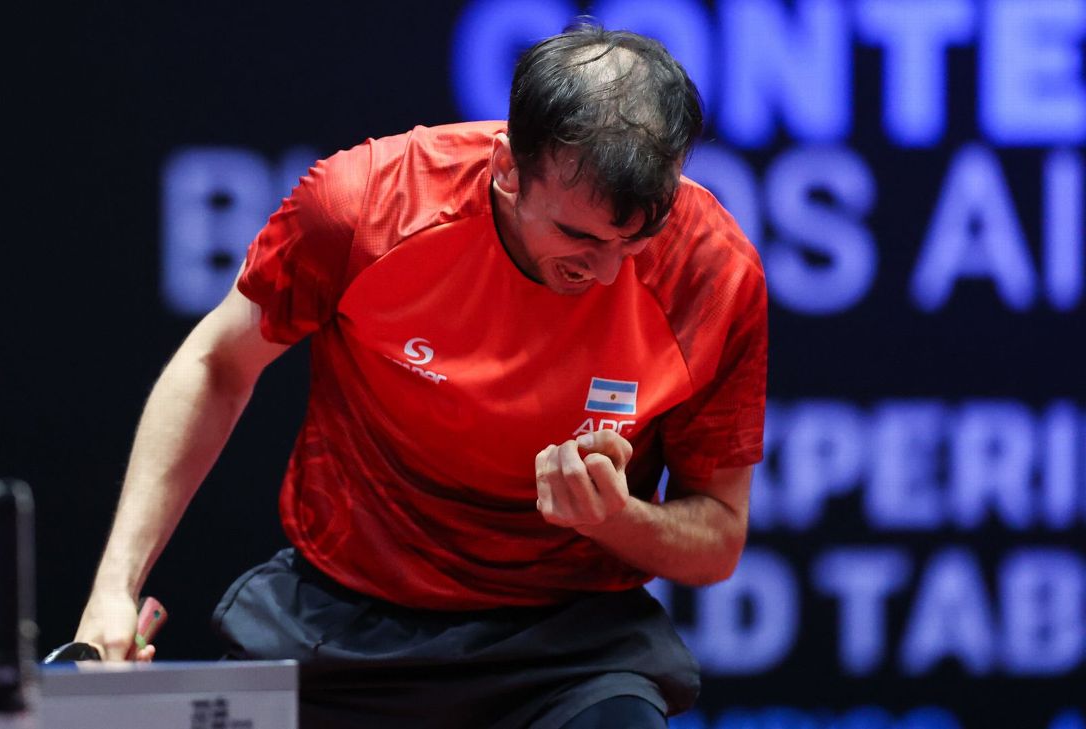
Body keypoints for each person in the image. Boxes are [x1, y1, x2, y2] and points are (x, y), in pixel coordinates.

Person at [75, 21, 766, 729]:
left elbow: (717, 537)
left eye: (637, 238)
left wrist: (614, 519)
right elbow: (217, 364)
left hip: (568, 646)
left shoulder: (712, 273)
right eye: (578, 236)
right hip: (344, 619)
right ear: (507, 167)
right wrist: (113, 592)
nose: (609, 273)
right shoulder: (367, 208)